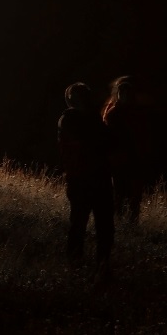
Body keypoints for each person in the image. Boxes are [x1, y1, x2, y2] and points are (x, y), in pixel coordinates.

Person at [60, 82, 114, 275]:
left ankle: (90, 263)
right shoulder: (75, 120)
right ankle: (92, 263)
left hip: (85, 178)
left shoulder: (73, 119)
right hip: (88, 178)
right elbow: (103, 143)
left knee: (88, 224)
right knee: (91, 224)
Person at [102, 75, 151, 225]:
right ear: (118, 94)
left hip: (133, 158)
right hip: (119, 158)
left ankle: (131, 222)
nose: (125, 96)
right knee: (120, 193)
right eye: (122, 93)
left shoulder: (135, 113)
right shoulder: (113, 113)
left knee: (134, 194)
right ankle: (120, 221)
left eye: (127, 93)